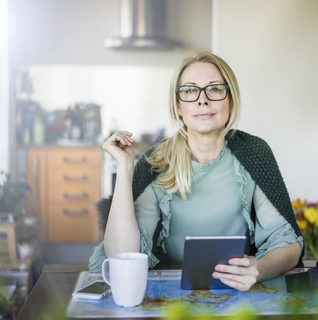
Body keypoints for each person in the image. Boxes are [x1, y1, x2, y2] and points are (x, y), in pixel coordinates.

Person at [89, 51, 304, 291]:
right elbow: (122, 256)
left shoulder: (254, 153)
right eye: (190, 91)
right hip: (169, 293)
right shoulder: (155, 162)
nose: (203, 100)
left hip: (238, 291)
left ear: (230, 100)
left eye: (214, 89)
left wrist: (259, 269)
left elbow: (288, 243)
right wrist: (125, 166)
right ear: (178, 106)